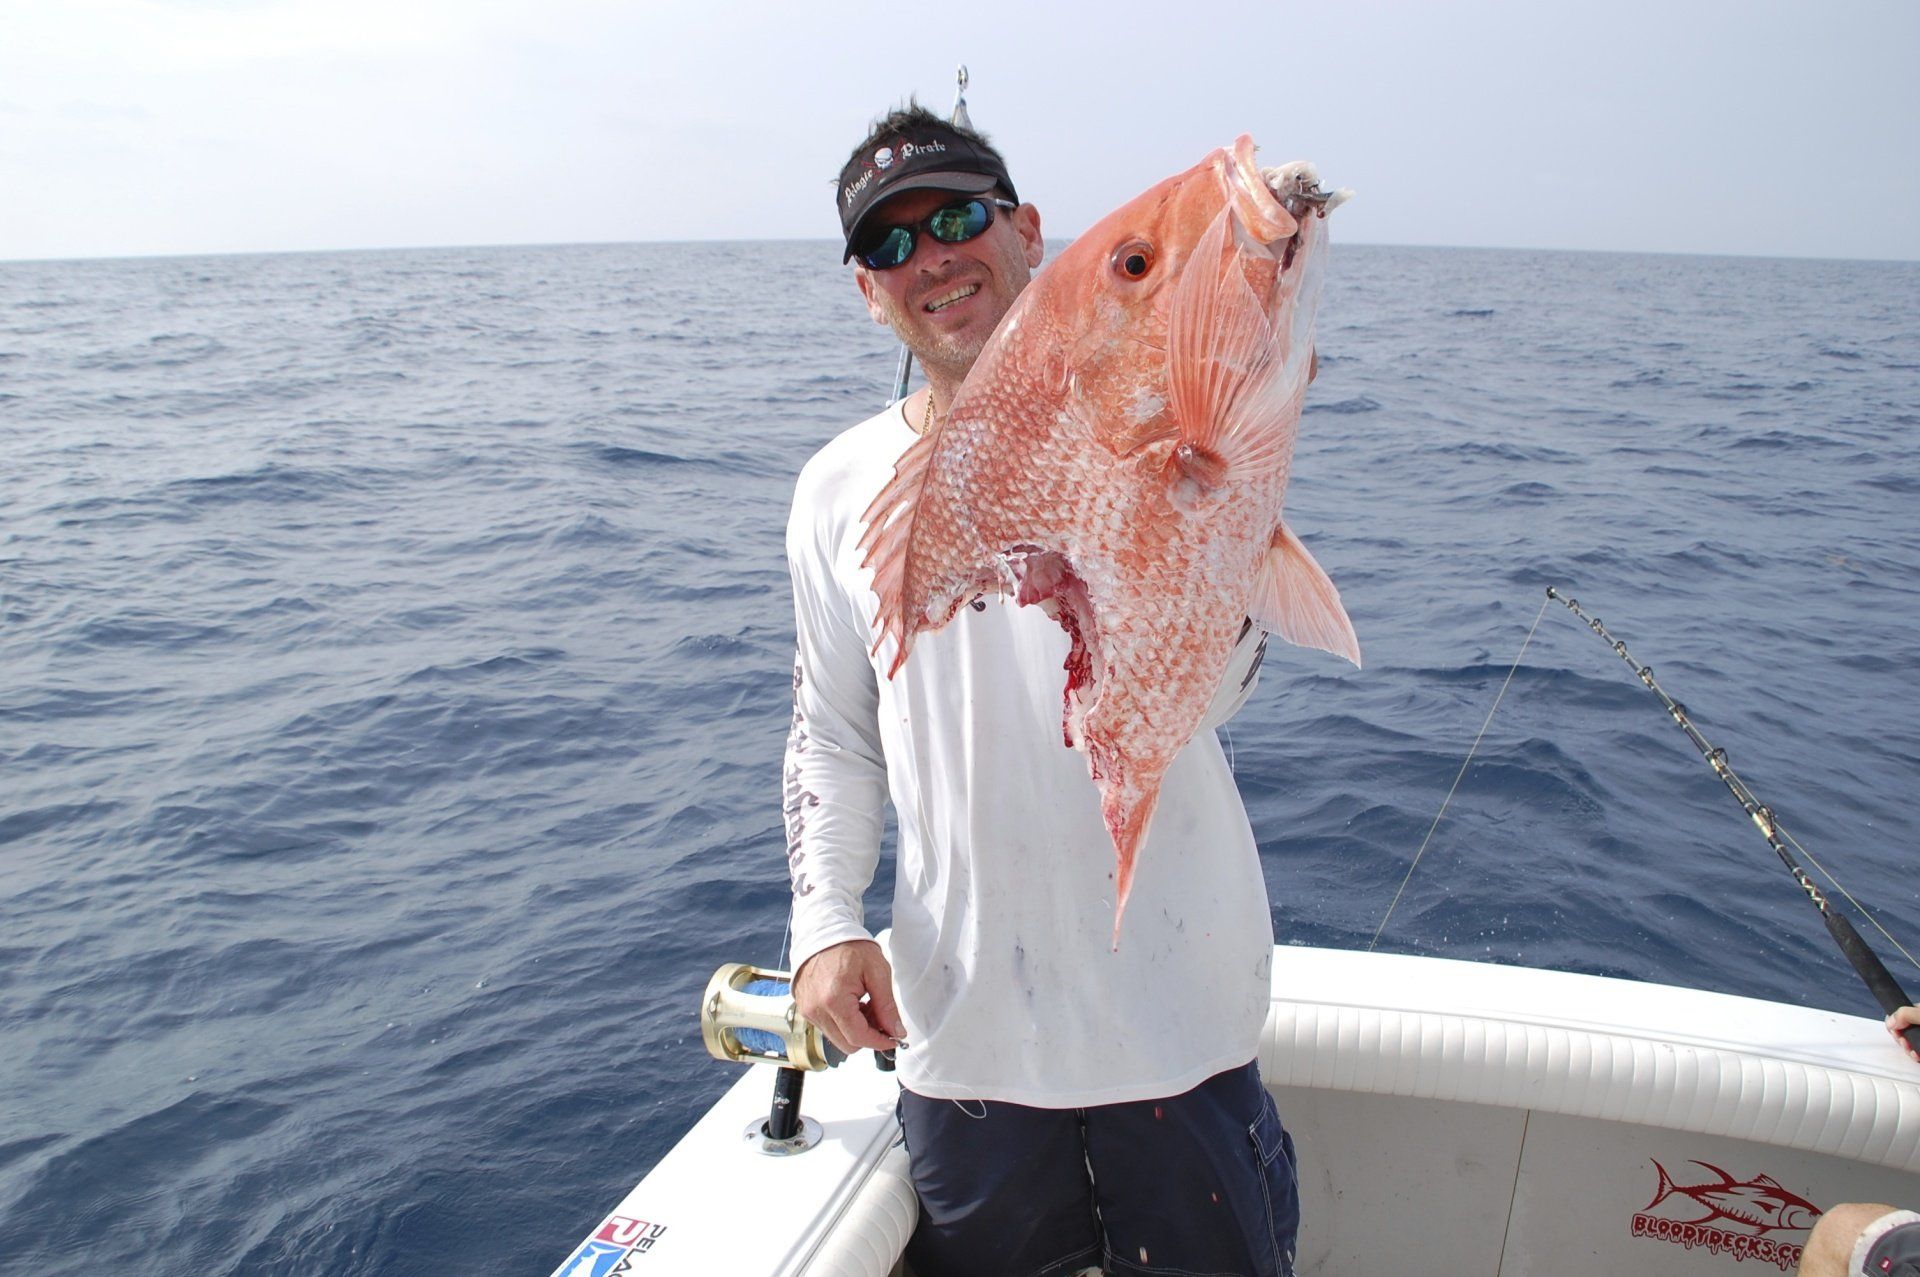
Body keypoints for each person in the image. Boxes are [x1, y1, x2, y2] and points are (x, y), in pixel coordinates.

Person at [781, 104, 1300, 1277]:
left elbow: (1217, 691)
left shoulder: (1155, 414)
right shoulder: (833, 490)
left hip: (1180, 1030)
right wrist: (823, 923)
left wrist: (1209, 505)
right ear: (869, 291)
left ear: (1026, 229)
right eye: (892, 245)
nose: (933, 258)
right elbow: (831, 732)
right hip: (965, 1050)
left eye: (958, 217)